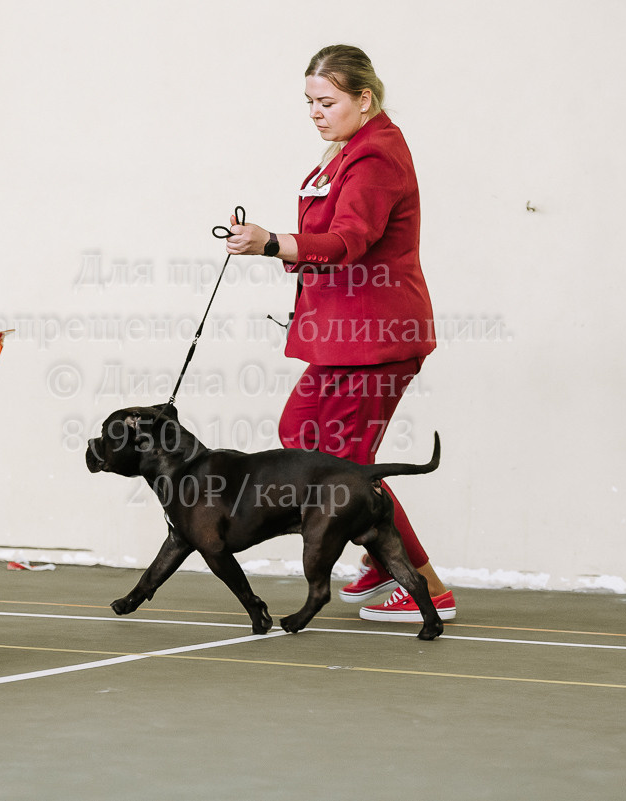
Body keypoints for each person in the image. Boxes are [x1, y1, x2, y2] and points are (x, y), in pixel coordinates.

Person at [224, 44, 455, 624]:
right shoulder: (346, 151)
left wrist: (272, 243)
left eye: (326, 101)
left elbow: (349, 241)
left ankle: (426, 583)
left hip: (377, 337)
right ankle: (381, 562)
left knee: (344, 466)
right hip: (342, 336)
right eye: (308, 101)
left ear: (364, 99)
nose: (314, 112)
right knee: (301, 435)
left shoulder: (376, 159)